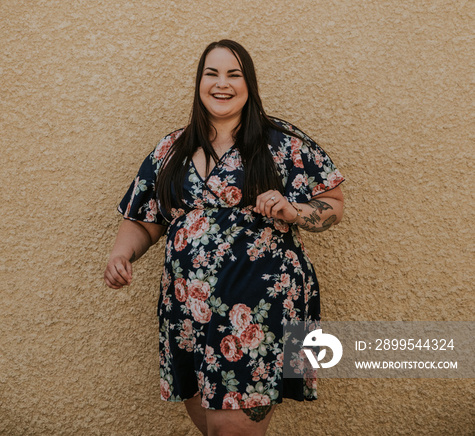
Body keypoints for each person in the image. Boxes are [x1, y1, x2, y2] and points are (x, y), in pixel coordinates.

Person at [104, 40, 345, 436]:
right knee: (211, 428)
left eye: (234, 74)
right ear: (199, 82)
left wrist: (293, 210)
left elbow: (333, 203)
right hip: (188, 312)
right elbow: (146, 219)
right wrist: (121, 253)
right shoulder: (172, 148)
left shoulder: (281, 143)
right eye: (211, 74)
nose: (222, 84)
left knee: (231, 430)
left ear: (249, 83)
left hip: (259, 311)